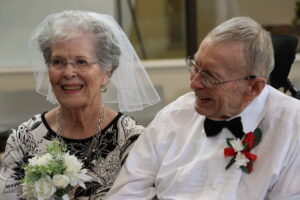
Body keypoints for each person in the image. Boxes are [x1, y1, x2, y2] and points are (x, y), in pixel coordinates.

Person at [105, 17, 300, 200]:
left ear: (255, 87)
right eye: (195, 67)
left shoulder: (293, 128)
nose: (194, 83)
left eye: (210, 76)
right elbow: (125, 193)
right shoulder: (173, 116)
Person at [0, 10, 160, 200]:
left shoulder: (133, 142)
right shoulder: (24, 138)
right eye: (58, 62)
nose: (68, 73)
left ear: (106, 72)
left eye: (81, 62)